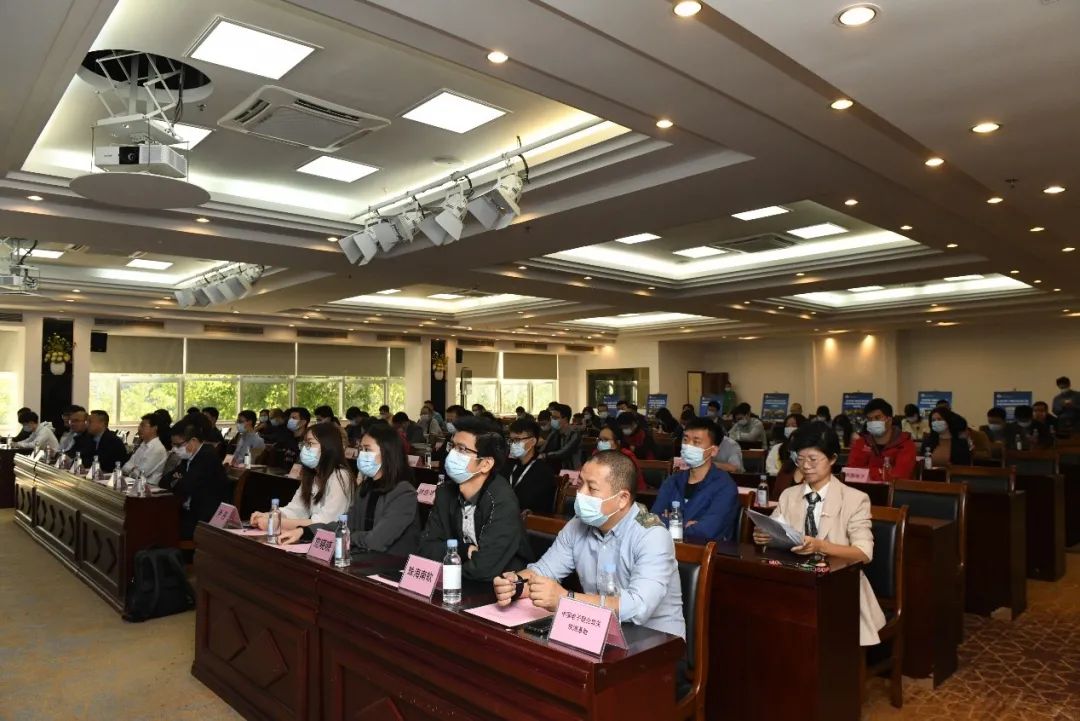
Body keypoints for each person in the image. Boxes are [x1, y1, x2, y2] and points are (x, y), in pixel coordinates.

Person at [493, 450, 684, 638]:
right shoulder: (577, 525)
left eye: (591, 489)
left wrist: (565, 599)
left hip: (655, 640)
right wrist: (515, 583)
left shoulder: (652, 536)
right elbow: (544, 570)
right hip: (597, 630)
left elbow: (638, 607)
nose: (580, 494)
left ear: (622, 499)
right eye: (580, 484)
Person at [754, 424, 886, 645]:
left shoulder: (855, 499)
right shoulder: (789, 495)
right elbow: (777, 531)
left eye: (813, 459)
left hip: (838, 586)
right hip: (796, 581)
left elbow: (864, 553)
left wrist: (820, 546)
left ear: (832, 459)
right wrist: (766, 536)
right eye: (800, 459)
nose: (806, 466)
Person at [418, 416, 533, 580]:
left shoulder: (502, 501)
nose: (452, 454)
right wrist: (464, 550)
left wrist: (447, 564)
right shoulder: (445, 492)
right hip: (458, 582)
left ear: (485, 464)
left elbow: (484, 568)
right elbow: (425, 548)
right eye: (452, 446)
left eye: (462, 449)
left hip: (500, 585)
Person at [279, 423, 420, 554]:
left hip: (390, 564)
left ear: (387, 452)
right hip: (363, 556)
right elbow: (344, 524)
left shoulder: (404, 493)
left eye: (367, 449)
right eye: (361, 449)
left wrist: (346, 535)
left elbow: (376, 540)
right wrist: (304, 532)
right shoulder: (366, 488)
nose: (361, 454)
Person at [250, 422, 353, 531]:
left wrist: (277, 523)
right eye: (304, 444)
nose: (305, 448)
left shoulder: (340, 475)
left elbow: (325, 523)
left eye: (310, 443)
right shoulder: (312, 475)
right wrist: (269, 515)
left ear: (328, 447)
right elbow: (296, 510)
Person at [651, 419, 739, 542]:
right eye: (685, 440)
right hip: (667, 549)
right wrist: (687, 524)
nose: (688, 446)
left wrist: (671, 520)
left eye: (696, 442)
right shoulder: (673, 481)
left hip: (704, 552)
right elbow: (652, 521)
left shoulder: (725, 487)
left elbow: (706, 532)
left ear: (713, 451)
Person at [164, 422, 230, 540]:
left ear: (193, 441)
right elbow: (164, 481)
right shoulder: (188, 457)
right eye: (172, 445)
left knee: (162, 527)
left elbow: (185, 487)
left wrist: (178, 480)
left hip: (203, 518)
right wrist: (179, 480)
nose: (174, 449)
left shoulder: (207, 457)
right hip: (188, 511)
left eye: (178, 445)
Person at [846, 399, 916, 481]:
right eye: (869, 419)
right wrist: (882, 472)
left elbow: (900, 476)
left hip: (893, 489)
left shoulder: (906, 444)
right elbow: (851, 472)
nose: (873, 422)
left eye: (877, 418)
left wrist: (867, 473)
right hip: (861, 489)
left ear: (889, 420)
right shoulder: (861, 443)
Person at [503, 418, 557, 514]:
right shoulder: (507, 465)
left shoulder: (543, 472)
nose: (513, 444)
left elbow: (542, 507)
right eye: (511, 440)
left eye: (517, 440)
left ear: (532, 441)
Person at [594, 425, 646, 490]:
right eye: (600, 439)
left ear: (617, 442)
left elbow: (628, 483)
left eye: (606, 439)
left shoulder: (627, 456)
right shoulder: (596, 454)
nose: (601, 442)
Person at [120, 413, 167, 485]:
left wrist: (133, 469)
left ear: (155, 428)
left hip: (149, 487)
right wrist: (134, 469)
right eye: (139, 426)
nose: (139, 428)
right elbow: (125, 467)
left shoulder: (157, 449)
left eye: (143, 426)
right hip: (134, 483)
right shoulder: (144, 444)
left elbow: (140, 474)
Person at [539, 403, 582, 471]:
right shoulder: (554, 433)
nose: (552, 420)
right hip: (555, 470)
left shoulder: (574, 435)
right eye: (552, 417)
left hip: (571, 471)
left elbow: (563, 452)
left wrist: (545, 455)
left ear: (565, 419)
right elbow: (543, 448)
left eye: (555, 418)